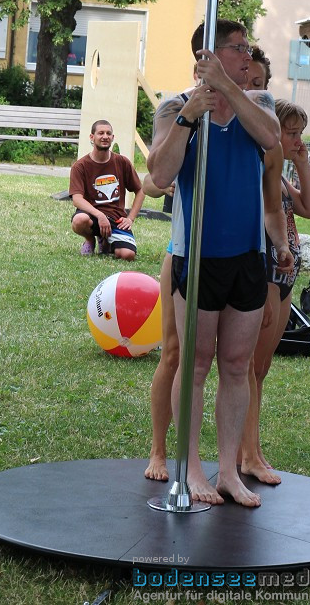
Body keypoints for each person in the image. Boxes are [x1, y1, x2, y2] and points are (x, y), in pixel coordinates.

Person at [147, 19, 290, 507]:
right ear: (209, 53)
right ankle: (189, 468)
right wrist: (191, 114)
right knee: (196, 362)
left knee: (235, 363)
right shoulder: (173, 105)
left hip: (247, 256)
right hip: (198, 254)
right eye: (238, 49)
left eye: (248, 50)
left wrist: (228, 86)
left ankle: (229, 469)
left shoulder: (259, 103)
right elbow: (160, 173)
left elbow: (272, 139)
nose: (248, 57)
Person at [240, 98, 310, 484]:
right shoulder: (260, 171)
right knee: (251, 368)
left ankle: (250, 447)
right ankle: (247, 452)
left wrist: (302, 162)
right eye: (291, 133)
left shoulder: (283, 176)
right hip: (269, 273)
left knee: (263, 368)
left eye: (301, 134)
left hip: (287, 280)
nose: (297, 139)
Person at [143, 173, 179, 483]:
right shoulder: (190, 129)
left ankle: (241, 454)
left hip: (236, 256)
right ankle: (158, 449)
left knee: (234, 362)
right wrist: (168, 183)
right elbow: (148, 183)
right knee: (172, 352)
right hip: (182, 252)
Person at [70, 119, 144, 259]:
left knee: (127, 255)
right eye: (101, 133)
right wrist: (100, 215)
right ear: (92, 137)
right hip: (92, 216)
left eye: (109, 133)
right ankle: (90, 240)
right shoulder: (80, 166)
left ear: (113, 138)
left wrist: (130, 219)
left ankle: (107, 241)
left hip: (116, 218)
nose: (105, 136)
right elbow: (77, 199)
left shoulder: (122, 162)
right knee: (79, 220)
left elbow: (140, 191)